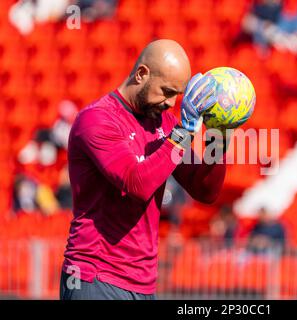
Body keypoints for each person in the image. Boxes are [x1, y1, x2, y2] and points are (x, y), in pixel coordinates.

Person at [60, 39, 227, 300]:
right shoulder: (97, 119)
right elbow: (136, 184)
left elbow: (204, 190)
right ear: (141, 74)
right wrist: (182, 134)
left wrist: (219, 135)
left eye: (178, 95)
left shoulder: (164, 124)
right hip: (95, 277)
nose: (172, 103)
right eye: (167, 91)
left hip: (143, 283)